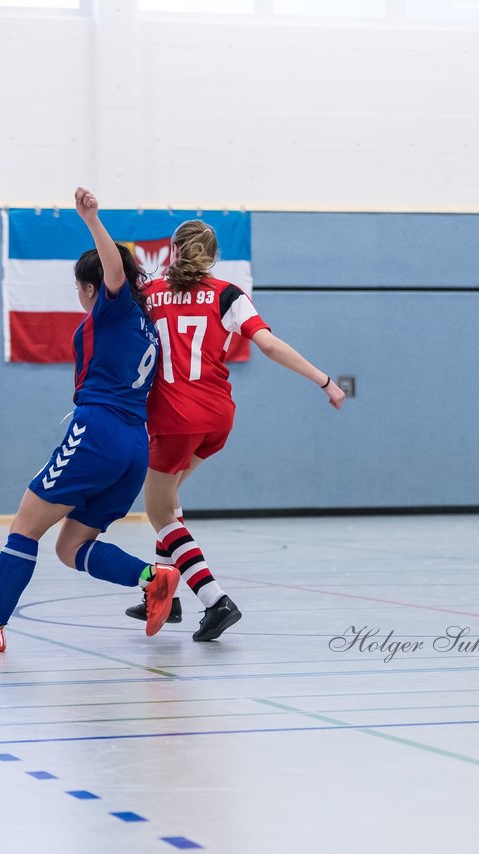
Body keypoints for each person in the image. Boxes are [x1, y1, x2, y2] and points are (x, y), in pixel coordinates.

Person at [0, 188, 180, 653]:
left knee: (23, 528)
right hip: (133, 444)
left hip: (98, 433)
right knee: (70, 548)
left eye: (78, 287)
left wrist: (92, 219)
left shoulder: (117, 308)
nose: (79, 295)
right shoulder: (146, 325)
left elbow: (114, 270)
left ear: (91, 287)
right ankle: (153, 576)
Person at [124, 220, 345, 641]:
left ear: (173, 250)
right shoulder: (228, 293)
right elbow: (270, 344)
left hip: (175, 417)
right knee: (169, 500)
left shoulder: (151, 294)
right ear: (213, 256)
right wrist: (324, 381)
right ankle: (166, 600)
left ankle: (214, 599)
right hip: (218, 414)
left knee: (157, 511)